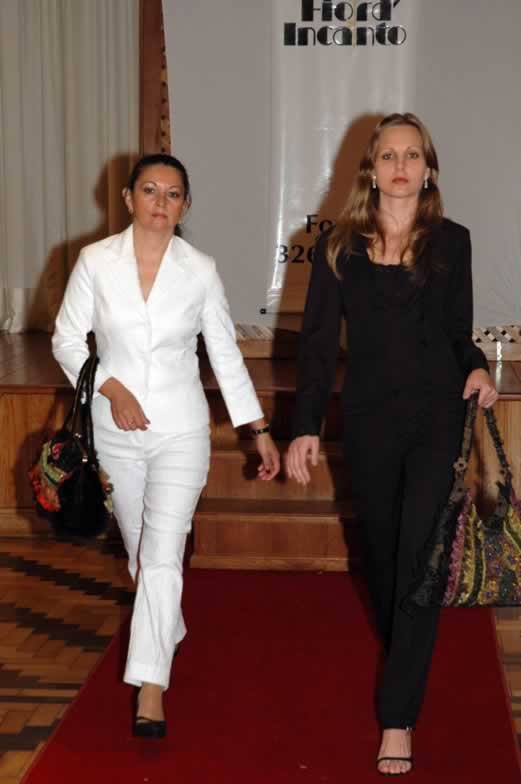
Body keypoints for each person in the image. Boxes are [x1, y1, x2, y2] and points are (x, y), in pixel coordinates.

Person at [286, 113, 497, 776]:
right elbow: (318, 347)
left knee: (417, 560)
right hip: (370, 420)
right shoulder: (338, 247)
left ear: (427, 168)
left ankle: (397, 716)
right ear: (370, 168)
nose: (400, 166)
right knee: (381, 559)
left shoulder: (452, 242)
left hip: (436, 418)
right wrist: (305, 426)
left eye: (411, 155)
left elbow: (458, 331)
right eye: (388, 155)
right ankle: (407, 644)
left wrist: (477, 367)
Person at [52, 153, 280, 738]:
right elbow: (66, 340)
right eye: (149, 190)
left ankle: (150, 688)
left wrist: (256, 429)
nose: (160, 202)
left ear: (185, 205)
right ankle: (167, 626)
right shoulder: (95, 261)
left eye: (173, 193)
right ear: (128, 198)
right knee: (140, 555)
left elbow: (224, 352)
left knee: (160, 556)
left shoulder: (199, 269)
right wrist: (112, 388)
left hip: (181, 431)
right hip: (114, 431)